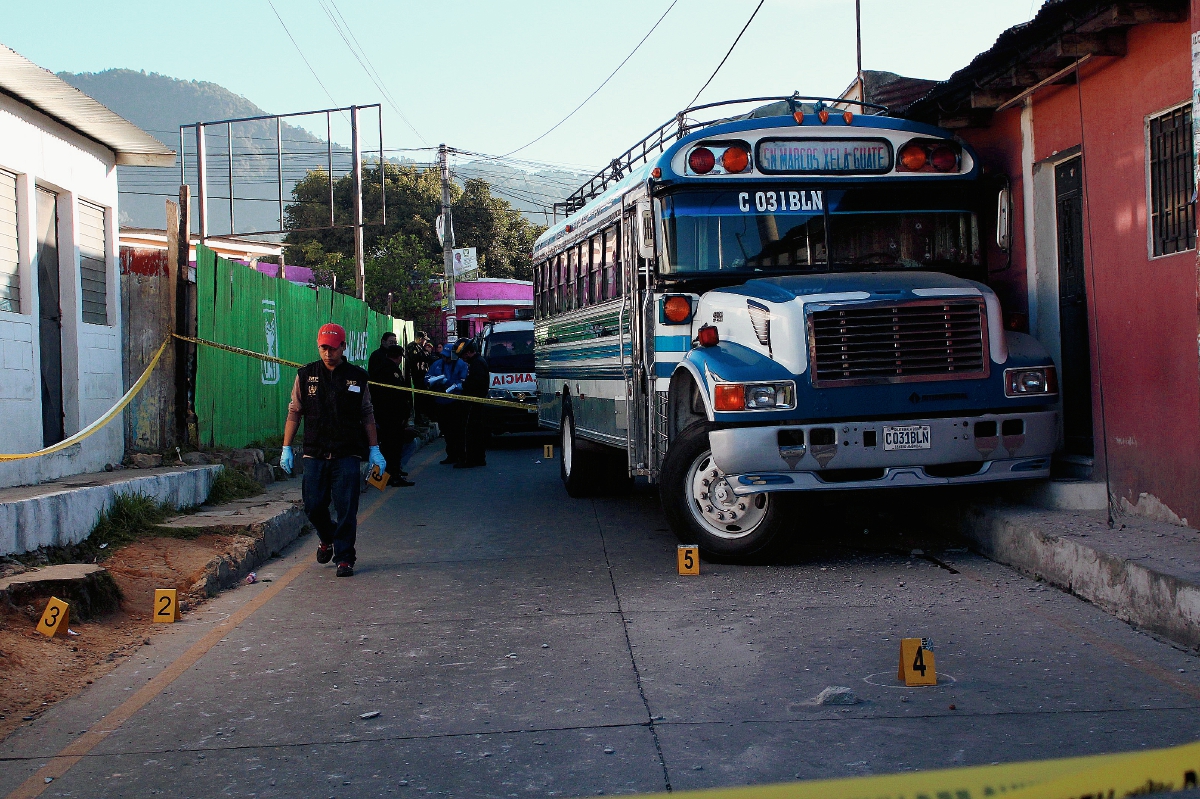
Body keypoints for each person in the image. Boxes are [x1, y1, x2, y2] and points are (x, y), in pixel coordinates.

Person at [279, 323, 387, 578]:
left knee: (346, 507)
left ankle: (345, 558)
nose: (328, 353)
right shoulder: (305, 375)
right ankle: (327, 537)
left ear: (343, 347)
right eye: (324, 348)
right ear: (318, 346)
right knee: (314, 506)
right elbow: (294, 411)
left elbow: (367, 413)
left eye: (333, 348)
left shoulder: (357, 377)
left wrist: (375, 449)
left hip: (346, 453)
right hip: (315, 453)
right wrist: (286, 447)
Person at [367, 343, 415, 487]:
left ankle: (385, 476)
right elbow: (397, 396)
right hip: (392, 416)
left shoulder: (380, 369)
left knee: (387, 446)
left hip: (383, 414)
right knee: (393, 447)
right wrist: (403, 414)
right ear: (399, 357)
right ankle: (393, 476)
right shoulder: (391, 371)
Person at [426, 341, 468, 464]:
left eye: (447, 356)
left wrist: (450, 384)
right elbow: (427, 377)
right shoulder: (437, 364)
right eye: (443, 356)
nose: (445, 358)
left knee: (458, 430)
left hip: (455, 401)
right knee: (446, 429)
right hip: (440, 401)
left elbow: (463, 382)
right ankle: (451, 455)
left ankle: (461, 455)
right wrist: (434, 381)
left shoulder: (461, 365)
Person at [456, 338, 491, 469]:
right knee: (476, 432)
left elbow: (476, 383)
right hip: (475, 402)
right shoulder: (476, 362)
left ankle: (470, 459)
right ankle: (478, 458)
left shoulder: (477, 363)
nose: (463, 358)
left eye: (463, 355)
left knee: (470, 432)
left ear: (469, 352)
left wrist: (463, 385)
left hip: (474, 402)